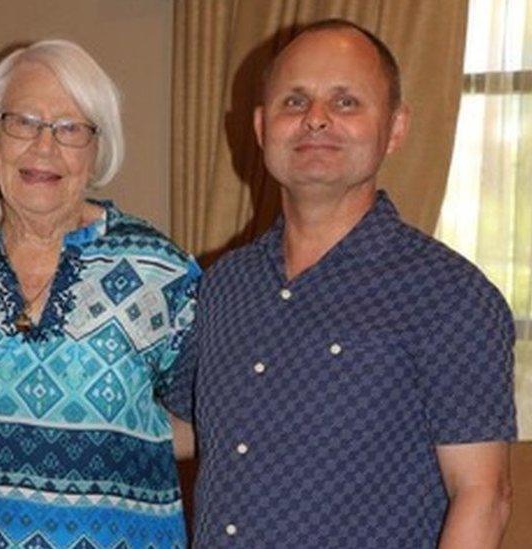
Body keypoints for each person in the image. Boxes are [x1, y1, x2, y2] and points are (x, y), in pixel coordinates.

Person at [166, 19, 516, 548]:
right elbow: (190, 428)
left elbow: (483, 496)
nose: (316, 120)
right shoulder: (224, 285)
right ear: (262, 130)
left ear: (395, 128)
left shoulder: (451, 296)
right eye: (294, 102)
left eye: (346, 102)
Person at [0, 39, 199, 548]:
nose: (44, 146)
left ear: (97, 151)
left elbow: (214, 415)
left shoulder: (158, 269)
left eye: (71, 128)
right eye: (23, 121)